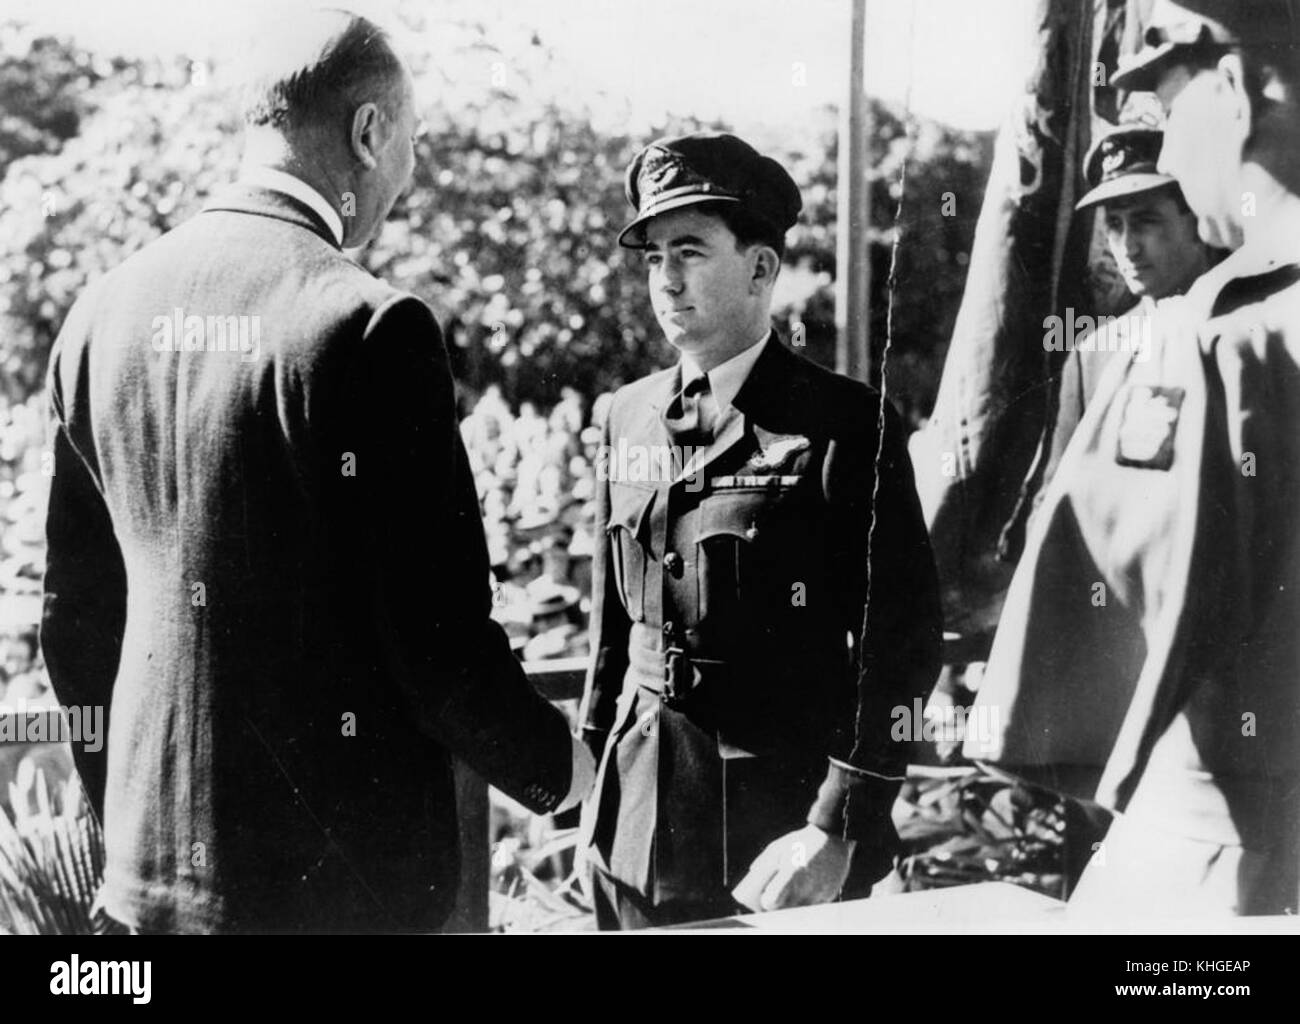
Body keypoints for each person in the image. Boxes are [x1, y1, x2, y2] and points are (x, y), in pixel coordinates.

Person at [40, 10, 591, 934]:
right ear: (369, 132)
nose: (407, 182)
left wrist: (134, 825)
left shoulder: (99, 315)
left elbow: (75, 625)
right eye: (410, 146)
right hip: (338, 900)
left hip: (138, 904)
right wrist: (560, 768)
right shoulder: (368, 326)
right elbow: (438, 644)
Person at [969, 0, 1300, 917]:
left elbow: (1113, 593)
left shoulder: (1225, 332)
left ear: (1230, 90)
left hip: (1226, 837)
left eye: (1167, 98)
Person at [578, 131, 942, 929]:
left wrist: (838, 823)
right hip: (633, 819)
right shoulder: (627, 415)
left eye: (690, 252)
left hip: (776, 834)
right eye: (652, 258)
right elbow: (612, 627)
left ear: (761, 267)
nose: (665, 280)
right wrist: (590, 790)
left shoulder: (843, 424)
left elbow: (903, 640)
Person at [1044, 123, 1213, 482]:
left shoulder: (1248, 333)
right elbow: (1057, 497)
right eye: (1115, 225)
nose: (1127, 247)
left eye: (1145, 222)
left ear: (1196, 218)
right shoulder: (1093, 357)